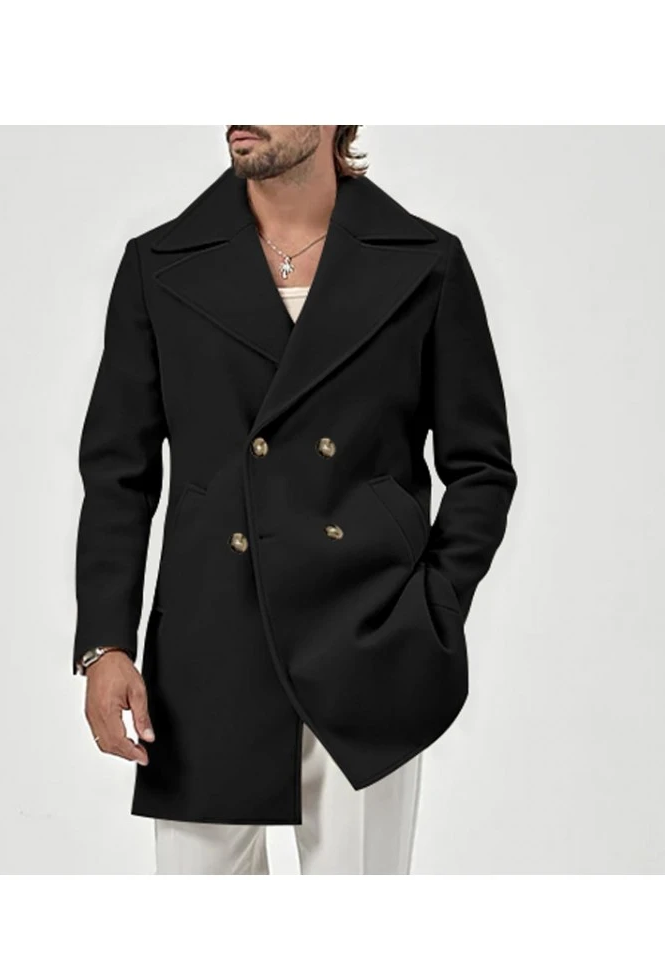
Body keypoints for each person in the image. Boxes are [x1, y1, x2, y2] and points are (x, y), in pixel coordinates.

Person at [72, 126, 518, 875]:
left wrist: (431, 610)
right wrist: (105, 644)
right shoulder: (160, 264)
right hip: (209, 644)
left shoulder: (424, 261)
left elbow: (481, 469)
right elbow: (120, 472)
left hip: (370, 644)